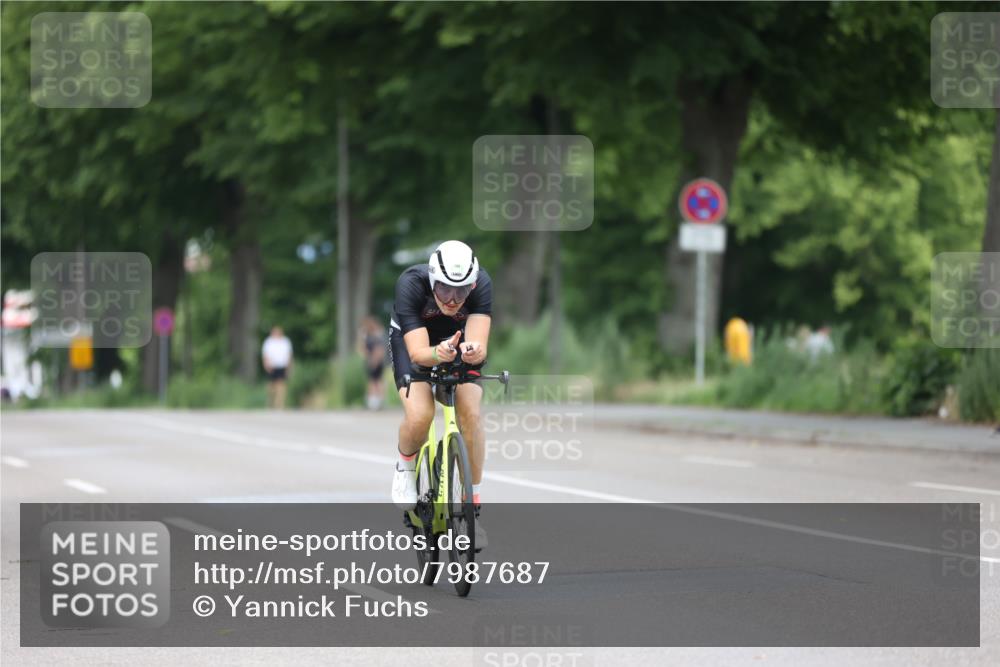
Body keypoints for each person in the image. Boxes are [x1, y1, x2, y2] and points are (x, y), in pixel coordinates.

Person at [388, 240, 491, 548]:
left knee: (470, 413)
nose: (452, 299)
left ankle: (470, 507)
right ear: (432, 279)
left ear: (473, 284)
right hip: (415, 341)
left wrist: (473, 351)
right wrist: (438, 352)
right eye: (445, 289)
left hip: (456, 342)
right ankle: (406, 466)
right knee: (421, 414)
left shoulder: (483, 284)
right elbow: (419, 354)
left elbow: (480, 345)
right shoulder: (410, 283)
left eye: (461, 291)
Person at [358, 316, 387, 410]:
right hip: (373, 360)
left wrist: (374, 361)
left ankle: (376, 402)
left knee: (374, 382)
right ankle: (377, 402)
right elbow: (362, 350)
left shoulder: (375, 336)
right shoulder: (369, 336)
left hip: (375, 361)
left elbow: (379, 350)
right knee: (376, 381)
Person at [261, 326, 293, 409]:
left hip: (282, 365)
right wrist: (266, 364)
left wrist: (289, 366)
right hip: (272, 365)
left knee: (281, 385)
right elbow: (265, 355)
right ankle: (270, 402)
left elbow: (289, 354)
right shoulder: (269, 342)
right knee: (271, 386)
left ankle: (280, 404)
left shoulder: (285, 341)